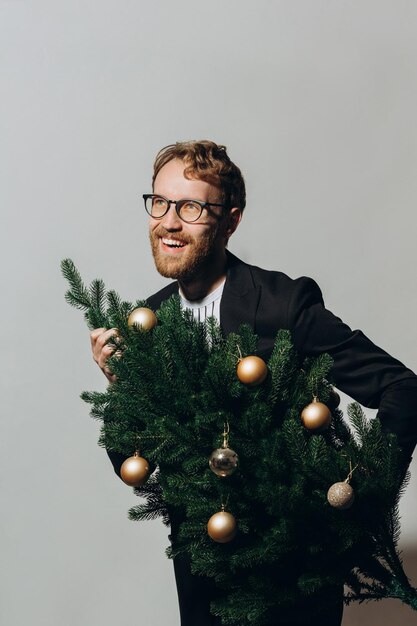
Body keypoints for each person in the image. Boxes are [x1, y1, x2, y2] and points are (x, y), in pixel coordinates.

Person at [90, 140, 417, 626]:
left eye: (191, 207)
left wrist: (360, 493)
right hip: (201, 581)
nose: (169, 222)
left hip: (295, 577)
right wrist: (121, 386)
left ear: (231, 220)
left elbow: (403, 390)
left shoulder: (284, 305)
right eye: (159, 202)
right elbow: (133, 464)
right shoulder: (147, 321)